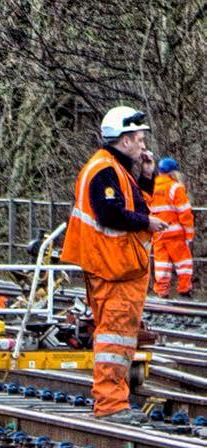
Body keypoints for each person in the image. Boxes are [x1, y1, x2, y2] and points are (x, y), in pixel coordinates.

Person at [61, 106, 170, 425]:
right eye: (138, 139)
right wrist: (147, 223)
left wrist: (147, 176)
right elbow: (111, 214)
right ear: (124, 140)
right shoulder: (105, 171)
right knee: (115, 337)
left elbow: (133, 206)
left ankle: (114, 401)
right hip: (112, 267)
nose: (143, 145)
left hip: (117, 266)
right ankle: (110, 405)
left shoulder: (114, 169)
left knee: (118, 335)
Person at [150, 157, 195, 297]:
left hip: (157, 233)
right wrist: (189, 235)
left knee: (161, 264)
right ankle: (184, 290)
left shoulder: (152, 187)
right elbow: (185, 212)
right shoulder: (175, 187)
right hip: (175, 234)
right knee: (183, 263)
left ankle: (162, 292)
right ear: (174, 172)